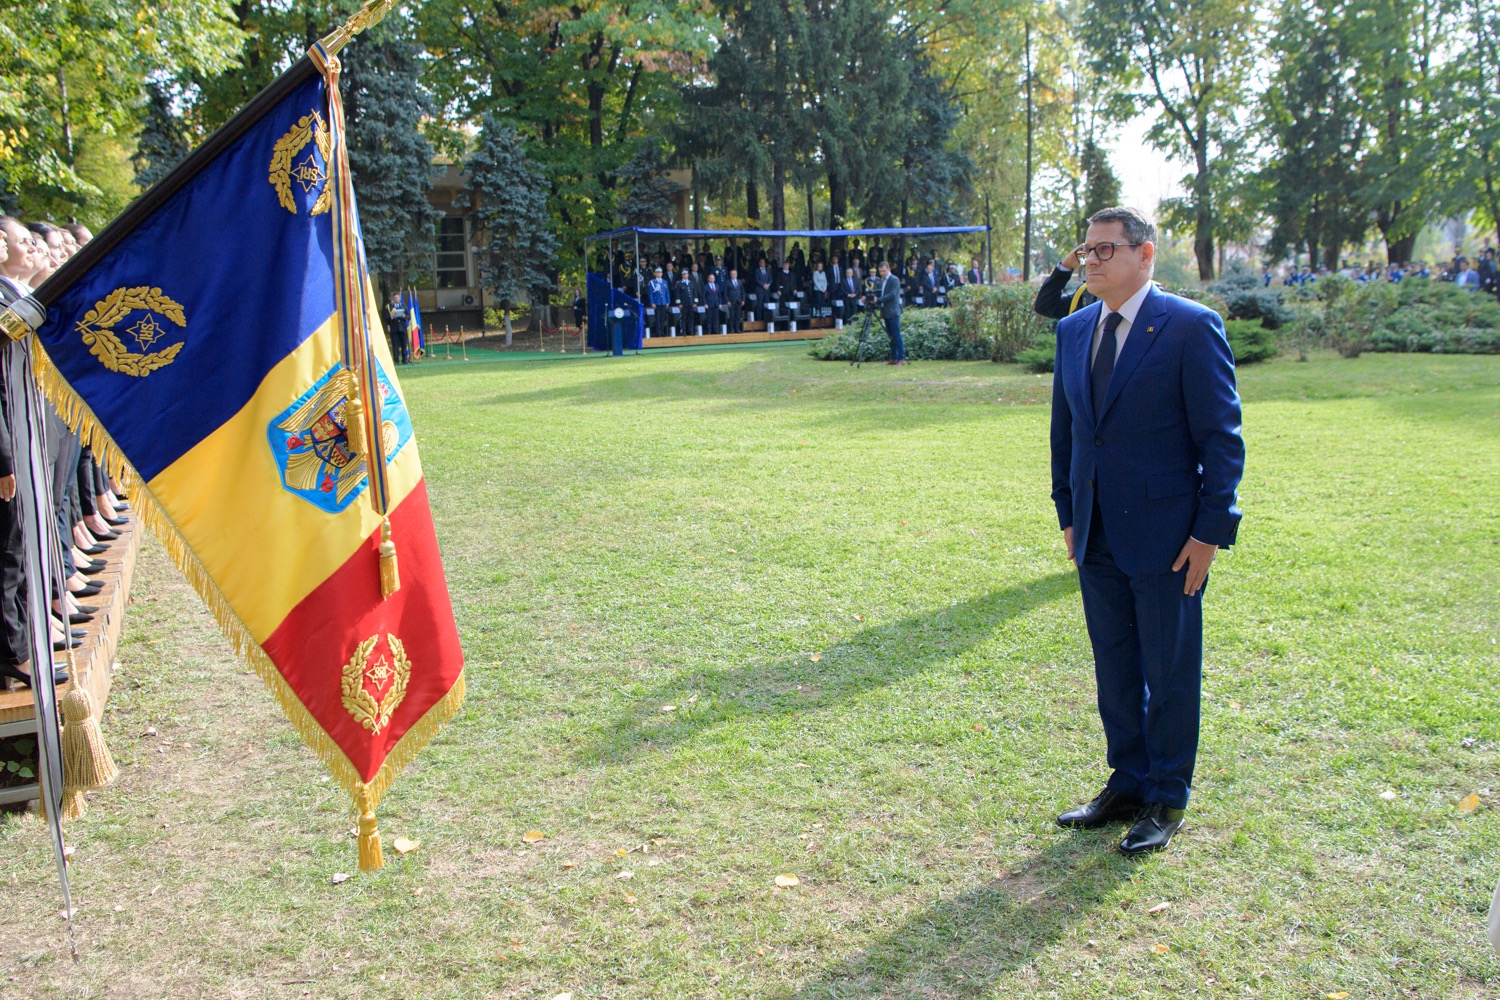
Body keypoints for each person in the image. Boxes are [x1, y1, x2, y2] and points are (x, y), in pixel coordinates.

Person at [1049, 206, 1244, 856]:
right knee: (1115, 668)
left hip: (1169, 537)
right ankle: (1127, 781)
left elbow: (1222, 440)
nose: (1093, 260)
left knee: (1170, 669)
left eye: (1106, 250)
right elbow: (1069, 434)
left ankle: (1167, 795)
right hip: (1098, 531)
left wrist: (1211, 532)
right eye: (1088, 250)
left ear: (1145, 255)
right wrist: (1069, 513)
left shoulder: (1189, 328)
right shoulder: (1075, 331)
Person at [1034, 245, 1097, 319]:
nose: (1090, 260)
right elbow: (1045, 306)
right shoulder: (1085, 293)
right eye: (1089, 250)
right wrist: (1066, 267)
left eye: (1104, 248)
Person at [877, 260, 905, 365]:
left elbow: (892, 295)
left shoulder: (894, 280)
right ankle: (893, 358)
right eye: (880, 271)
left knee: (896, 334)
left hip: (893, 311)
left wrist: (878, 300)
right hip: (885, 311)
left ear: (889, 269)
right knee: (891, 336)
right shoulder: (881, 280)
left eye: (884, 271)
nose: (882, 273)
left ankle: (901, 358)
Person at [385, 292, 409, 364]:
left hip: (402, 327)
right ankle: (396, 360)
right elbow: (386, 318)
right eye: (395, 298)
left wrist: (404, 316)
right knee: (395, 345)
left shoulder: (403, 306)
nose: (396, 299)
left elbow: (408, 316)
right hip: (394, 327)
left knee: (404, 344)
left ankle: (405, 360)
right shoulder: (389, 307)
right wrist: (392, 317)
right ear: (393, 299)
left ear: (400, 298)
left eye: (398, 298)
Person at [647, 267, 671, 337]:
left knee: (662, 318)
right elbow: (650, 293)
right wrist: (652, 302)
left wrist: (668, 302)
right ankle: (658, 333)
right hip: (656, 302)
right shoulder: (652, 282)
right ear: (655, 273)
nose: (659, 273)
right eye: (657, 272)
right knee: (657, 318)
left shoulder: (665, 282)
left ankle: (662, 331)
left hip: (663, 302)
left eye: (660, 272)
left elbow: (667, 292)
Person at [725, 268, 746, 332]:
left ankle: (737, 329)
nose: (733, 275)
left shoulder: (739, 282)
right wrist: (727, 301)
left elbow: (743, 292)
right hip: (731, 302)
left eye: (734, 274)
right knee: (732, 316)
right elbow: (725, 293)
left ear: (736, 275)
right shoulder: (727, 282)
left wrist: (743, 300)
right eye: (732, 274)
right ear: (730, 275)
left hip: (739, 301)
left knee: (738, 316)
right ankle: (731, 329)